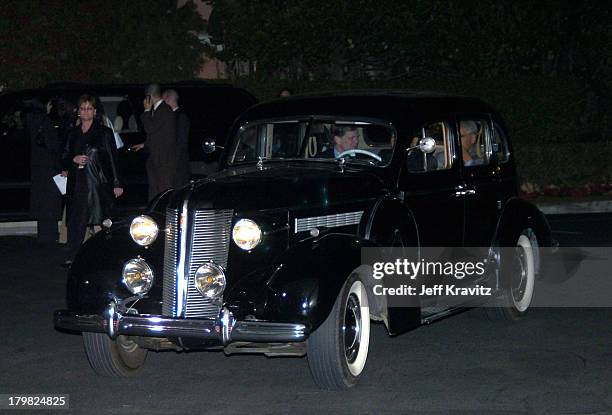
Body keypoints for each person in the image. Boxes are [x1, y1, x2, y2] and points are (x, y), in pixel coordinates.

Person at [62, 94, 123, 266]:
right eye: (83, 108)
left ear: (95, 111)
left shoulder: (104, 132)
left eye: (89, 108)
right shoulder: (73, 133)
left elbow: (112, 158)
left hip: (97, 182)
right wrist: (73, 159)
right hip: (78, 181)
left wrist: (117, 183)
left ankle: (105, 256)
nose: (86, 111)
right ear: (78, 112)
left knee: (102, 219)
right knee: (76, 219)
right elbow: (64, 155)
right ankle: (73, 256)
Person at [25, 97, 63, 246]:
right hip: (48, 168)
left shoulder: (31, 121)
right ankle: (49, 235)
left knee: (41, 201)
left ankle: (44, 235)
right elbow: (53, 145)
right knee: (50, 202)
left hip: (37, 167)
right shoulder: (45, 122)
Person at [132, 84, 176, 200]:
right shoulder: (159, 110)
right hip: (156, 158)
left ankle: (162, 215)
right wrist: (145, 144)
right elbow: (158, 134)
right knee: (155, 192)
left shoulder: (164, 110)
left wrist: (146, 110)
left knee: (163, 192)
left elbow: (150, 128)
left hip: (163, 160)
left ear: (149, 97)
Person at [162, 89, 191, 188]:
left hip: (178, 165)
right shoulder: (170, 116)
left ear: (168, 99)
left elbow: (181, 142)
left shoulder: (180, 117)